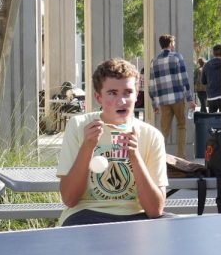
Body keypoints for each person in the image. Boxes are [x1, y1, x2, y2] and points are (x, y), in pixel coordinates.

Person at [57, 58, 167, 226]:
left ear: (137, 95)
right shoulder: (79, 126)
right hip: (86, 215)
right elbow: (70, 199)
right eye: (112, 93)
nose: (121, 101)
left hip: (137, 218)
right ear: (98, 97)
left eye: (128, 92)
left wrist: (135, 156)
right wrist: (88, 147)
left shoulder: (152, 136)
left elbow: (155, 210)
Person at [149, 35, 195, 158]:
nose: (174, 45)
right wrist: (190, 99)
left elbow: (152, 85)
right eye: (173, 43)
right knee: (181, 126)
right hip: (178, 98)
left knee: (164, 130)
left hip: (163, 101)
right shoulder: (177, 57)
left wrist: (155, 104)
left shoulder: (154, 61)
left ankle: (159, 158)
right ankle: (181, 156)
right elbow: (183, 79)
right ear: (170, 44)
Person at [202, 44, 221, 113]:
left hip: (211, 96)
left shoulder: (206, 65)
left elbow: (203, 81)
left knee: (211, 120)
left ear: (213, 53)